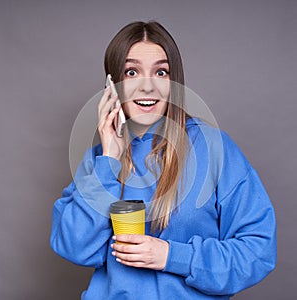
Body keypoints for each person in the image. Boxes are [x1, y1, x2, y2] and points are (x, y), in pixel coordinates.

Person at [50, 21, 277, 299]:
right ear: (112, 86)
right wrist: (110, 158)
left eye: (161, 72)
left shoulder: (214, 149)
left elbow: (258, 251)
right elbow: (75, 247)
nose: (147, 86)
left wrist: (171, 256)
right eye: (131, 72)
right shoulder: (99, 159)